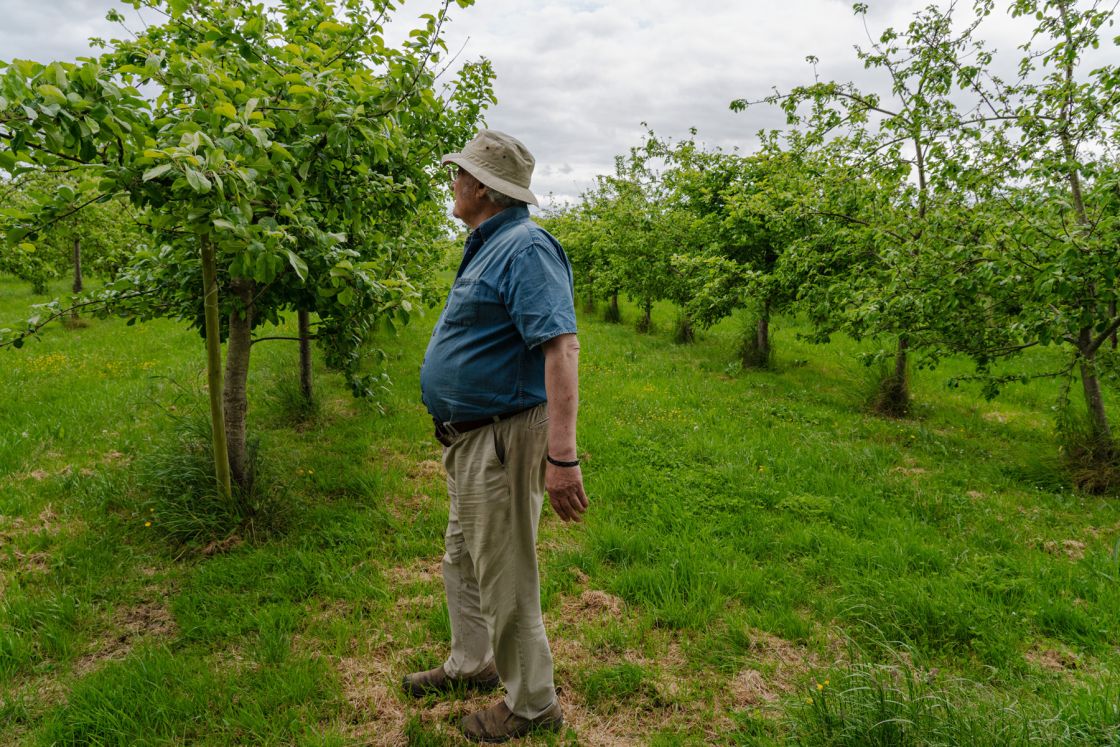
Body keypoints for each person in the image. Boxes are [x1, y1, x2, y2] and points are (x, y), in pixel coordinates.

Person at [405, 130, 589, 742]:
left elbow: (560, 348)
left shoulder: (525, 248)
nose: (452, 184)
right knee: (462, 556)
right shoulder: (489, 244)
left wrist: (562, 457)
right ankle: (472, 660)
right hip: (469, 438)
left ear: (482, 186)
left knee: (505, 569)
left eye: (459, 174)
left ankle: (533, 703)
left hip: (502, 436)